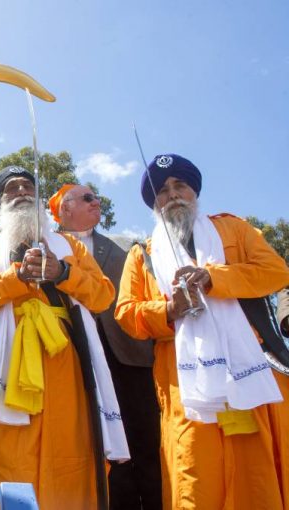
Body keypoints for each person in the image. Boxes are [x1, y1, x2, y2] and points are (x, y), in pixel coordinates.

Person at [115, 154, 289, 509]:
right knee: (195, 478)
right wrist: (169, 309)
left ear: (194, 191)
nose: (173, 195)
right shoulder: (142, 255)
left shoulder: (234, 229)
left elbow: (275, 272)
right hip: (185, 384)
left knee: (256, 477)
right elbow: (126, 313)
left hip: (249, 373)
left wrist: (215, 278)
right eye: (162, 191)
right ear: (155, 204)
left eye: (180, 185)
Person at [0, 166, 127, 510]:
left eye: (27, 186)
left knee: (70, 457)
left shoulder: (68, 246)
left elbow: (102, 295)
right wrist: (17, 276)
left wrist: (63, 272)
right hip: (8, 366)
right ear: (0, 203)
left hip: (65, 364)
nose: (21, 191)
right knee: (10, 460)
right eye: (11, 189)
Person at [50, 184, 161, 509]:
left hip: (130, 358)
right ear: (64, 209)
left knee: (146, 442)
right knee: (102, 450)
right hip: (79, 363)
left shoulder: (128, 246)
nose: (96, 201)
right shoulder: (49, 248)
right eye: (87, 198)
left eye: (95, 197)